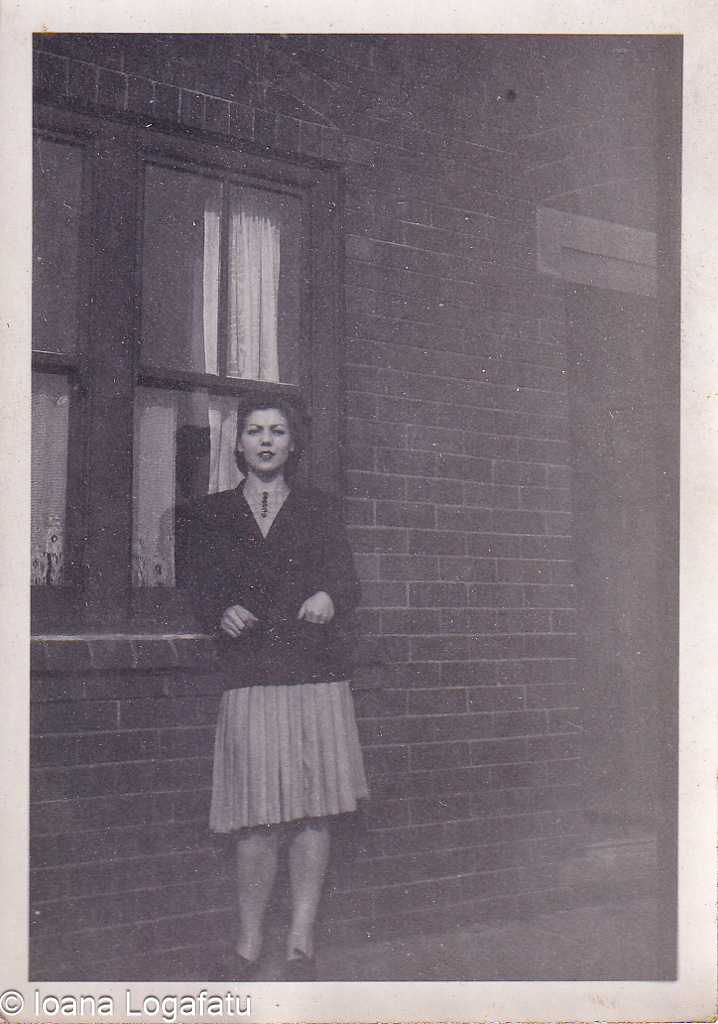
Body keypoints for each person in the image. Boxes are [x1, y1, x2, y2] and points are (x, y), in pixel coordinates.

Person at [184, 391, 368, 982]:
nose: (266, 441)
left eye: (278, 432)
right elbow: (198, 585)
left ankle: (300, 940)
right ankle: (248, 940)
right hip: (251, 676)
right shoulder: (210, 513)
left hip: (313, 674)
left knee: (315, 810)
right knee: (257, 815)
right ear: (237, 444)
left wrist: (329, 596)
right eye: (256, 431)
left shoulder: (320, 509)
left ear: (293, 444)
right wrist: (220, 610)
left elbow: (347, 581)